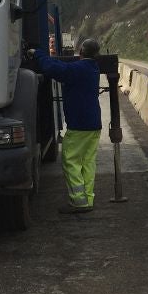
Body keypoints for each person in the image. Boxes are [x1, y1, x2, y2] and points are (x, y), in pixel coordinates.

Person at [31, 39, 102, 214]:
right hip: (93, 124)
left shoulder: (78, 70)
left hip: (79, 125)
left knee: (71, 161)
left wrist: (37, 54)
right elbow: (62, 68)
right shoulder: (93, 68)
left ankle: (78, 202)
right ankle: (87, 199)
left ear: (81, 53)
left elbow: (52, 69)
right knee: (87, 162)